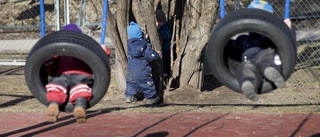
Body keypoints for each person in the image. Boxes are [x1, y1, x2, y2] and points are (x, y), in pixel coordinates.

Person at [226, 0, 295, 101]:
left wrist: (287, 30)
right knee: (250, 66)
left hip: (252, 58)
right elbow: (231, 49)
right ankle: (249, 85)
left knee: (247, 68)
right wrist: (223, 38)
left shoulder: (246, 39)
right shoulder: (246, 39)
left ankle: (262, 76)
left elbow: (287, 45)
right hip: (258, 57)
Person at [44, 24, 110, 123]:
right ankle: (80, 106)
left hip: (62, 74)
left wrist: (48, 58)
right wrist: (104, 51)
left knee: (56, 88)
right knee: (80, 90)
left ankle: (54, 104)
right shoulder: (86, 49)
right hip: (81, 75)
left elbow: (51, 70)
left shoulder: (58, 51)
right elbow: (98, 61)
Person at [125, 21, 162, 105]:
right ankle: (151, 98)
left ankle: (129, 97)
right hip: (142, 69)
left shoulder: (129, 44)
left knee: (131, 83)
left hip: (131, 69)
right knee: (146, 82)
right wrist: (156, 54)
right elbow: (151, 56)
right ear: (140, 34)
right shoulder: (144, 45)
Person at [155, 9, 172, 79]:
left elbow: (166, 35)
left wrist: (159, 30)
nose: (158, 23)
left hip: (165, 49)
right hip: (159, 49)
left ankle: (165, 75)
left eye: (160, 22)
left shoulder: (167, 27)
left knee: (165, 62)